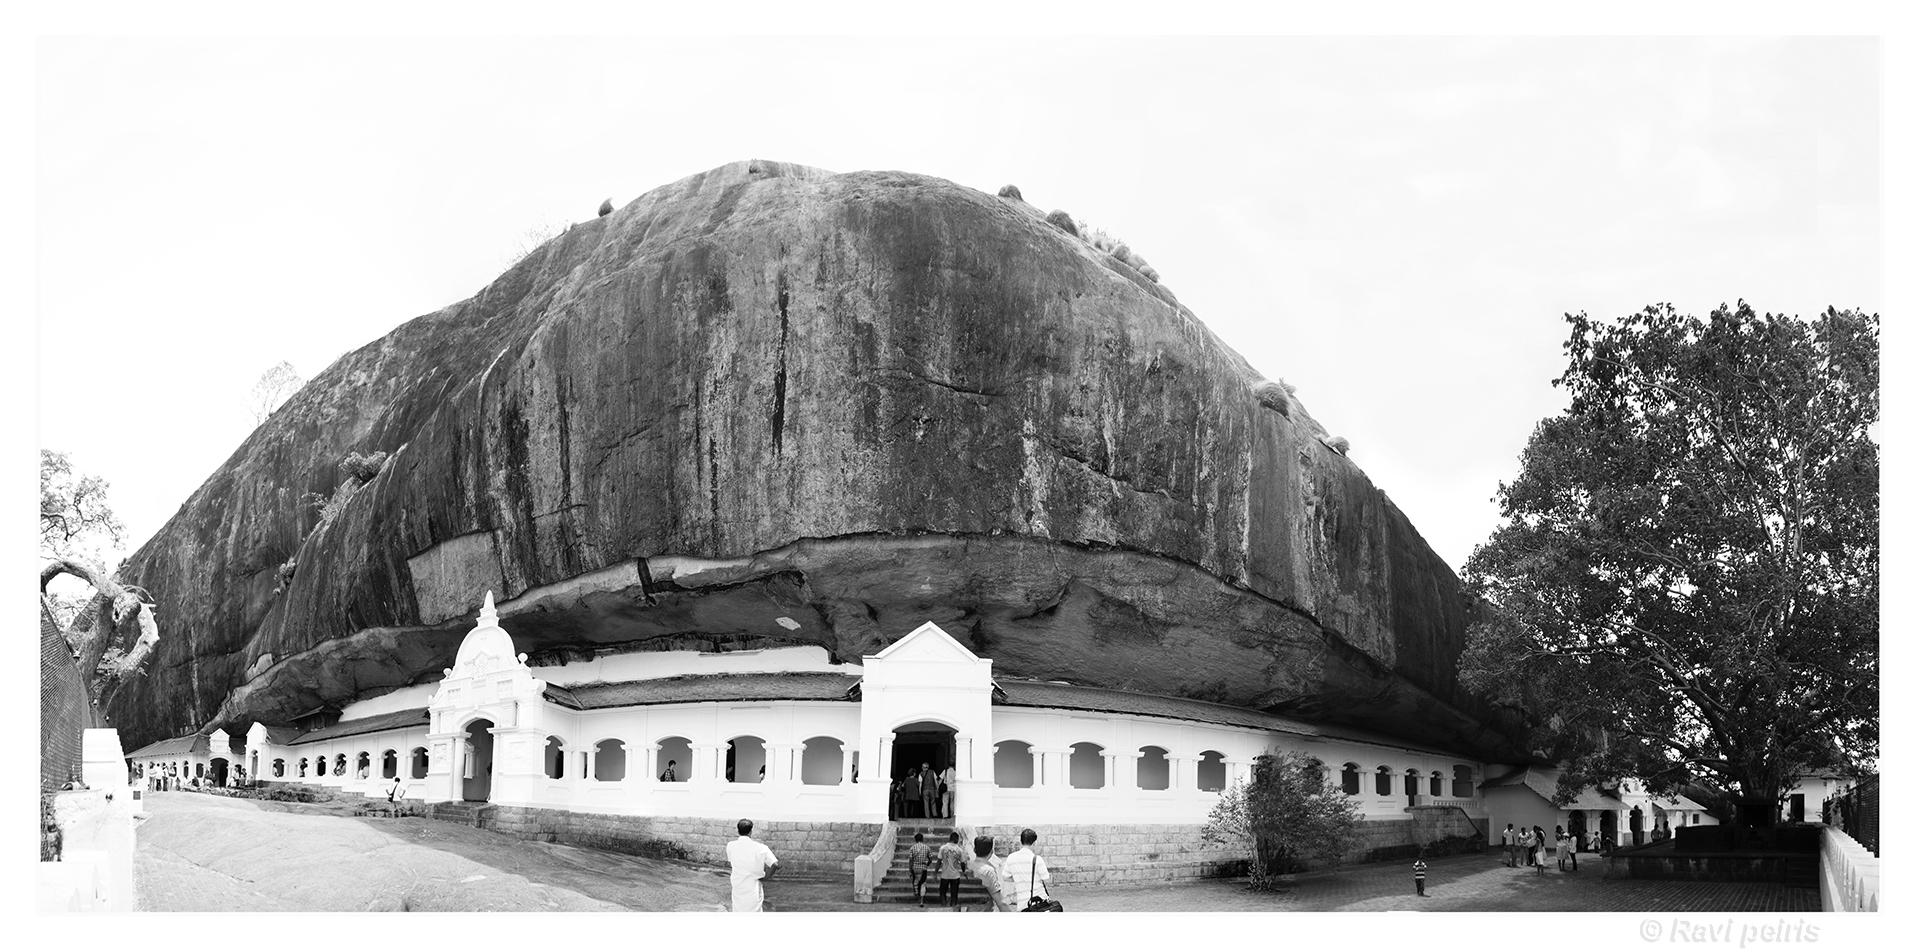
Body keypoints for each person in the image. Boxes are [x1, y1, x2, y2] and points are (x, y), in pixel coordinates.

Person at [725, 818, 779, 912]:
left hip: (738, 887)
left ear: (738, 831)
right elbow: (775, 864)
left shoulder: (730, 846)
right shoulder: (761, 848)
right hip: (753, 888)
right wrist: (766, 878)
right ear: (751, 832)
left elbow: (732, 862)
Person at [1002, 828, 1052, 910]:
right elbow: (1046, 879)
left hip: (1022, 905)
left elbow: (1005, 877)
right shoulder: (1037, 859)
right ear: (1034, 843)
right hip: (1039, 901)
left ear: (1021, 841)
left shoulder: (1011, 858)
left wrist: (1019, 878)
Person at [967, 835, 1014, 912]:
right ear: (992, 852)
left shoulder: (967, 867)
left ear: (974, 850)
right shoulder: (988, 872)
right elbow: (1000, 903)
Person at [937, 831, 967, 909]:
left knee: (942, 892)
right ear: (956, 839)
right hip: (955, 875)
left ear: (950, 838)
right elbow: (963, 863)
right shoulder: (959, 850)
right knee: (954, 893)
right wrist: (964, 871)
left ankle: (944, 905)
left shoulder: (943, 848)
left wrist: (935, 872)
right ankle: (953, 907)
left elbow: (939, 861)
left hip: (945, 875)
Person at [907, 831, 934, 907]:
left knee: (916, 881)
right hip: (923, 868)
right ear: (922, 839)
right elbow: (931, 858)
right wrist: (927, 864)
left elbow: (911, 860)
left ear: (915, 840)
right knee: (923, 883)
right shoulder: (927, 847)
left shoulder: (912, 848)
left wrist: (910, 870)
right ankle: (921, 901)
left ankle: (916, 893)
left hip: (915, 867)